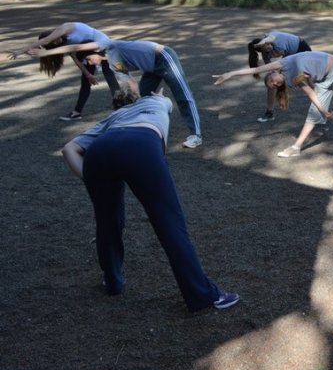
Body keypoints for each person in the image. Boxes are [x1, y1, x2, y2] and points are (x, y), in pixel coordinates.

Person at [61, 89, 238, 312]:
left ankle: (113, 281)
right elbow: (169, 101)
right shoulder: (156, 100)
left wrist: (93, 180)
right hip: (141, 144)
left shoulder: (112, 118)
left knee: (107, 223)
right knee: (169, 223)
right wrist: (158, 94)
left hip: (100, 150)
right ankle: (203, 296)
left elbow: (69, 149)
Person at [29, 39, 203, 148]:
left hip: (163, 57)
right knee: (140, 100)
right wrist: (131, 102)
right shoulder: (112, 63)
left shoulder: (109, 48)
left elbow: (77, 45)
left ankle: (196, 135)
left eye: (89, 59)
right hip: (150, 67)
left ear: (94, 52)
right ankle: (138, 131)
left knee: (183, 95)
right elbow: (130, 84)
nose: (91, 63)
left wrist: (48, 51)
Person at [214, 51, 333, 161]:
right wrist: (323, 110)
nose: (274, 83)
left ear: (273, 72)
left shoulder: (282, 63)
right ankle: (296, 148)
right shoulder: (292, 81)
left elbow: (255, 69)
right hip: (323, 80)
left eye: (272, 80)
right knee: (313, 114)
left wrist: (230, 74)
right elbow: (311, 93)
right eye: (274, 85)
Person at [7, 22, 120, 121]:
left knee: (109, 75)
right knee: (85, 82)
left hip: (101, 45)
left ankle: (122, 107)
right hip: (86, 52)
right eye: (54, 44)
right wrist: (88, 74)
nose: (57, 43)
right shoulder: (65, 44)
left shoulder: (65, 27)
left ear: (53, 35)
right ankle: (77, 113)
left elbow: (45, 40)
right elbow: (76, 59)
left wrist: (20, 51)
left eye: (54, 40)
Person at [247, 31, 312, 123]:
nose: (268, 47)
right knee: (271, 82)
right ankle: (269, 112)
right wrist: (272, 77)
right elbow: (271, 68)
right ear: (262, 51)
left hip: (301, 48)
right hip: (290, 55)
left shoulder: (275, 41)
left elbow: (284, 61)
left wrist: (280, 74)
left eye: (268, 44)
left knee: (306, 79)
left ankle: (319, 105)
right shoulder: (265, 53)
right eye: (265, 48)